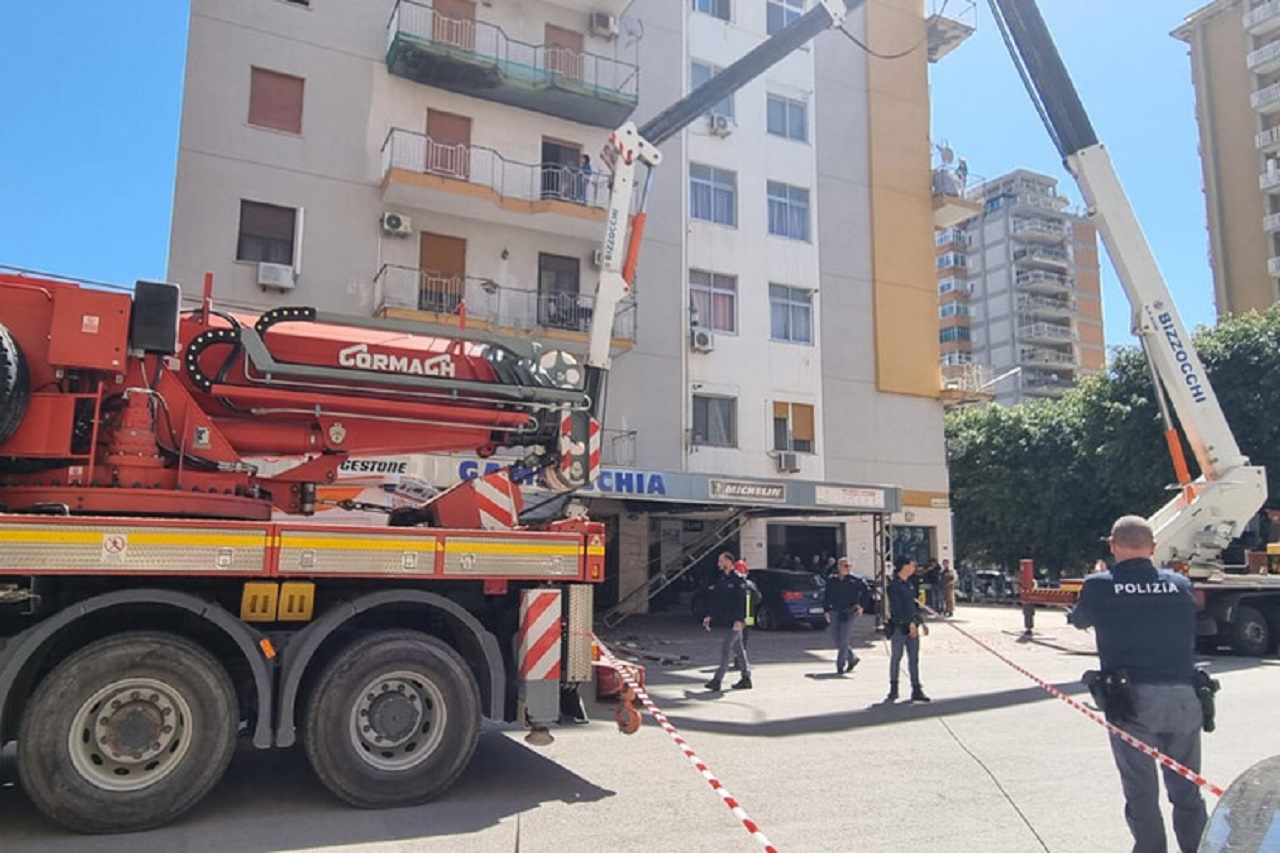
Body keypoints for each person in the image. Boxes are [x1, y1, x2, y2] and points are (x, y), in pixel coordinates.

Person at [1068, 516, 1207, 853]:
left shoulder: (1100, 585)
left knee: (1141, 791)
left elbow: (1080, 619)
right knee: (1187, 790)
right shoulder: (1179, 584)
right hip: (1183, 696)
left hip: (1131, 700)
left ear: (1113, 545)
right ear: (1153, 547)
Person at [701, 552, 751, 691]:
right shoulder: (723, 578)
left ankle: (717, 681)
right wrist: (710, 615)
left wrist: (739, 620)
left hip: (736, 621)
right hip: (729, 620)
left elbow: (741, 602)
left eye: (721, 561)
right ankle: (746, 678)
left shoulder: (738, 580)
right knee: (739, 650)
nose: (719, 564)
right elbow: (719, 601)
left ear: (729, 562)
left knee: (725, 649)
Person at [885, 555, 930, 703]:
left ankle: (916, 689)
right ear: (904, 566)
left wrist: (921, 622)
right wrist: (908, 623)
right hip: (900, 627)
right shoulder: (894, 586)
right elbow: (897, 609)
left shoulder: (910, 584)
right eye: (912, 565)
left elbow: (913, 606)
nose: (914, 567)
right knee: (896, 657)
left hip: (913, 625)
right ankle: (893, 688)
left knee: (914, 658)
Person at [824, 557, 870, 675]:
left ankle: (840, 665)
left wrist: (861, 606)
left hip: (849, 611)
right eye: (845, 566)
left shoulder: (856, 580)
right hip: (835, 610)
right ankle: (852, 658)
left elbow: (866, 591)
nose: (848, 568)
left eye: (849, 566)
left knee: (844, 638)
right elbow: (827, 594)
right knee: (836, 637)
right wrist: (826, 610)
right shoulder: (832, 580)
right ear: (839, 567)